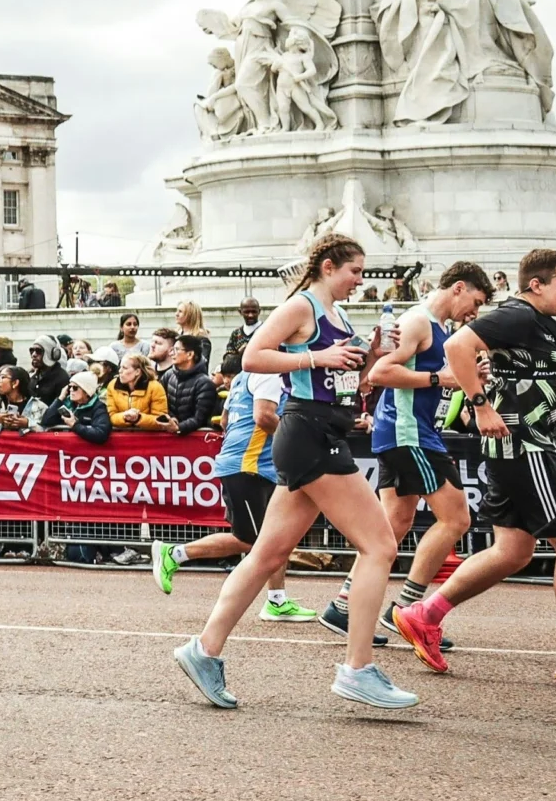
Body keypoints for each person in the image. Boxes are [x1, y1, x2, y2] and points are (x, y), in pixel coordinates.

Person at [171, 235, 417, 711]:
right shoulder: (301, 307)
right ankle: (358, 668)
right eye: (354, 271)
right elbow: (252, 357)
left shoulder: (338, 315)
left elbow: (351, 381)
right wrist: (316, 356)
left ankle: (203, 650)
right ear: (328, 266)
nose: (360, 281)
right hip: (309, 434)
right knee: (381, 545)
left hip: (318, 431)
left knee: (266, 554)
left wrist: (377, 354)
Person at [389, 249, 556, 688]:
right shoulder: (518, 316)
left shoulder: (543, 324)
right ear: (537, 285)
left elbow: (520, 376)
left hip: (522, 447)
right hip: (526, 449)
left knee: (513, 551)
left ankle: (423, 614)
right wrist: (480, 405)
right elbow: (458, 345)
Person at [341, 262, 493, 644]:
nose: (474, 313)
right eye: (474, 301)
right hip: (410, 434)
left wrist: (469, 377)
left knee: (393, 526)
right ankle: (407, 610)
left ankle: (343, 606)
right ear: (458, 288)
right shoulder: (418, 322)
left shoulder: (441, 328)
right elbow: (380, 374)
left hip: (409, 431)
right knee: (456, 520)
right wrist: (438, 378)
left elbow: (439, 383)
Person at [152, 363, 316, 621]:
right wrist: (296, 439)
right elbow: (264, 417)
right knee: (255, 540)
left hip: (255, 465)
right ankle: (175, 553)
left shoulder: (243, 377)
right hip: (247, 466)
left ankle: (277, 600)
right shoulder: (271, 372)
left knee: (275, 533)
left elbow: (226, 419)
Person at [160, 337, 220, 432]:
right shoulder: (168, 376)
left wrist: (179, 427)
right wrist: (170, 418)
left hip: (194, 438)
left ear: (190, 354)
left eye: (176, 350)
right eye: (172, 349)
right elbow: (159, 404)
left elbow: (200, 418)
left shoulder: (204, 384)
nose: (171, 353)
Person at [105, 353, 174, 431]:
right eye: (120, 367)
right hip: (122, 436)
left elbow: (160, 419)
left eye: (124, 368)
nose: (120, 371)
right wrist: (124, 416)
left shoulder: (155, 387)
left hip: (148, 437)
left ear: (137, 371)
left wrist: (138, 418)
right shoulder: (112, 385)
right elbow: (111, 416)